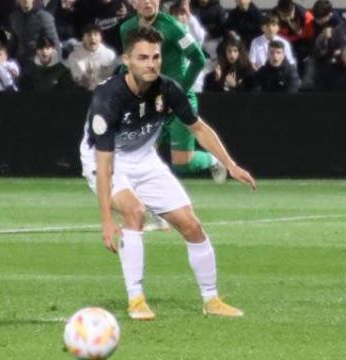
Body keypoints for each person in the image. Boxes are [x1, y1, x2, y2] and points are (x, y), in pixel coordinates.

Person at [79, 26, 256, 320]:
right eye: (143, 57)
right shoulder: (108, 99)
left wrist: (230, 164)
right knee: (134, 212)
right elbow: (105, 163)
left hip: (145, 159)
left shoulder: (167, 89)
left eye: (156, 57)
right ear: (127, 60)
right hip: (106, 161)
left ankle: (211, 300)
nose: (151, 63)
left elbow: (198, 128)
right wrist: (107, 221)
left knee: (192, 225)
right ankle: (136, 300)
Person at [120, 0, 225, 184]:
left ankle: (212, 160)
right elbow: (129, 63)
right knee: (138, 158)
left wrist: (177, 92)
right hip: (150, 101)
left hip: (178, 100)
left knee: (183, 164)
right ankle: (145, 206)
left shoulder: (173, 27)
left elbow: (198, 59)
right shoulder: (126, 28)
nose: (147, 2)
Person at [66, 24, 117, 90]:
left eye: (95, 35)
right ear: (83, 38)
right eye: (89, 35)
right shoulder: (74, 56)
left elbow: (108, 79)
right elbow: (76, 78)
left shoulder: (109, 55)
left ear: (100, 37)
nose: (92, 38)